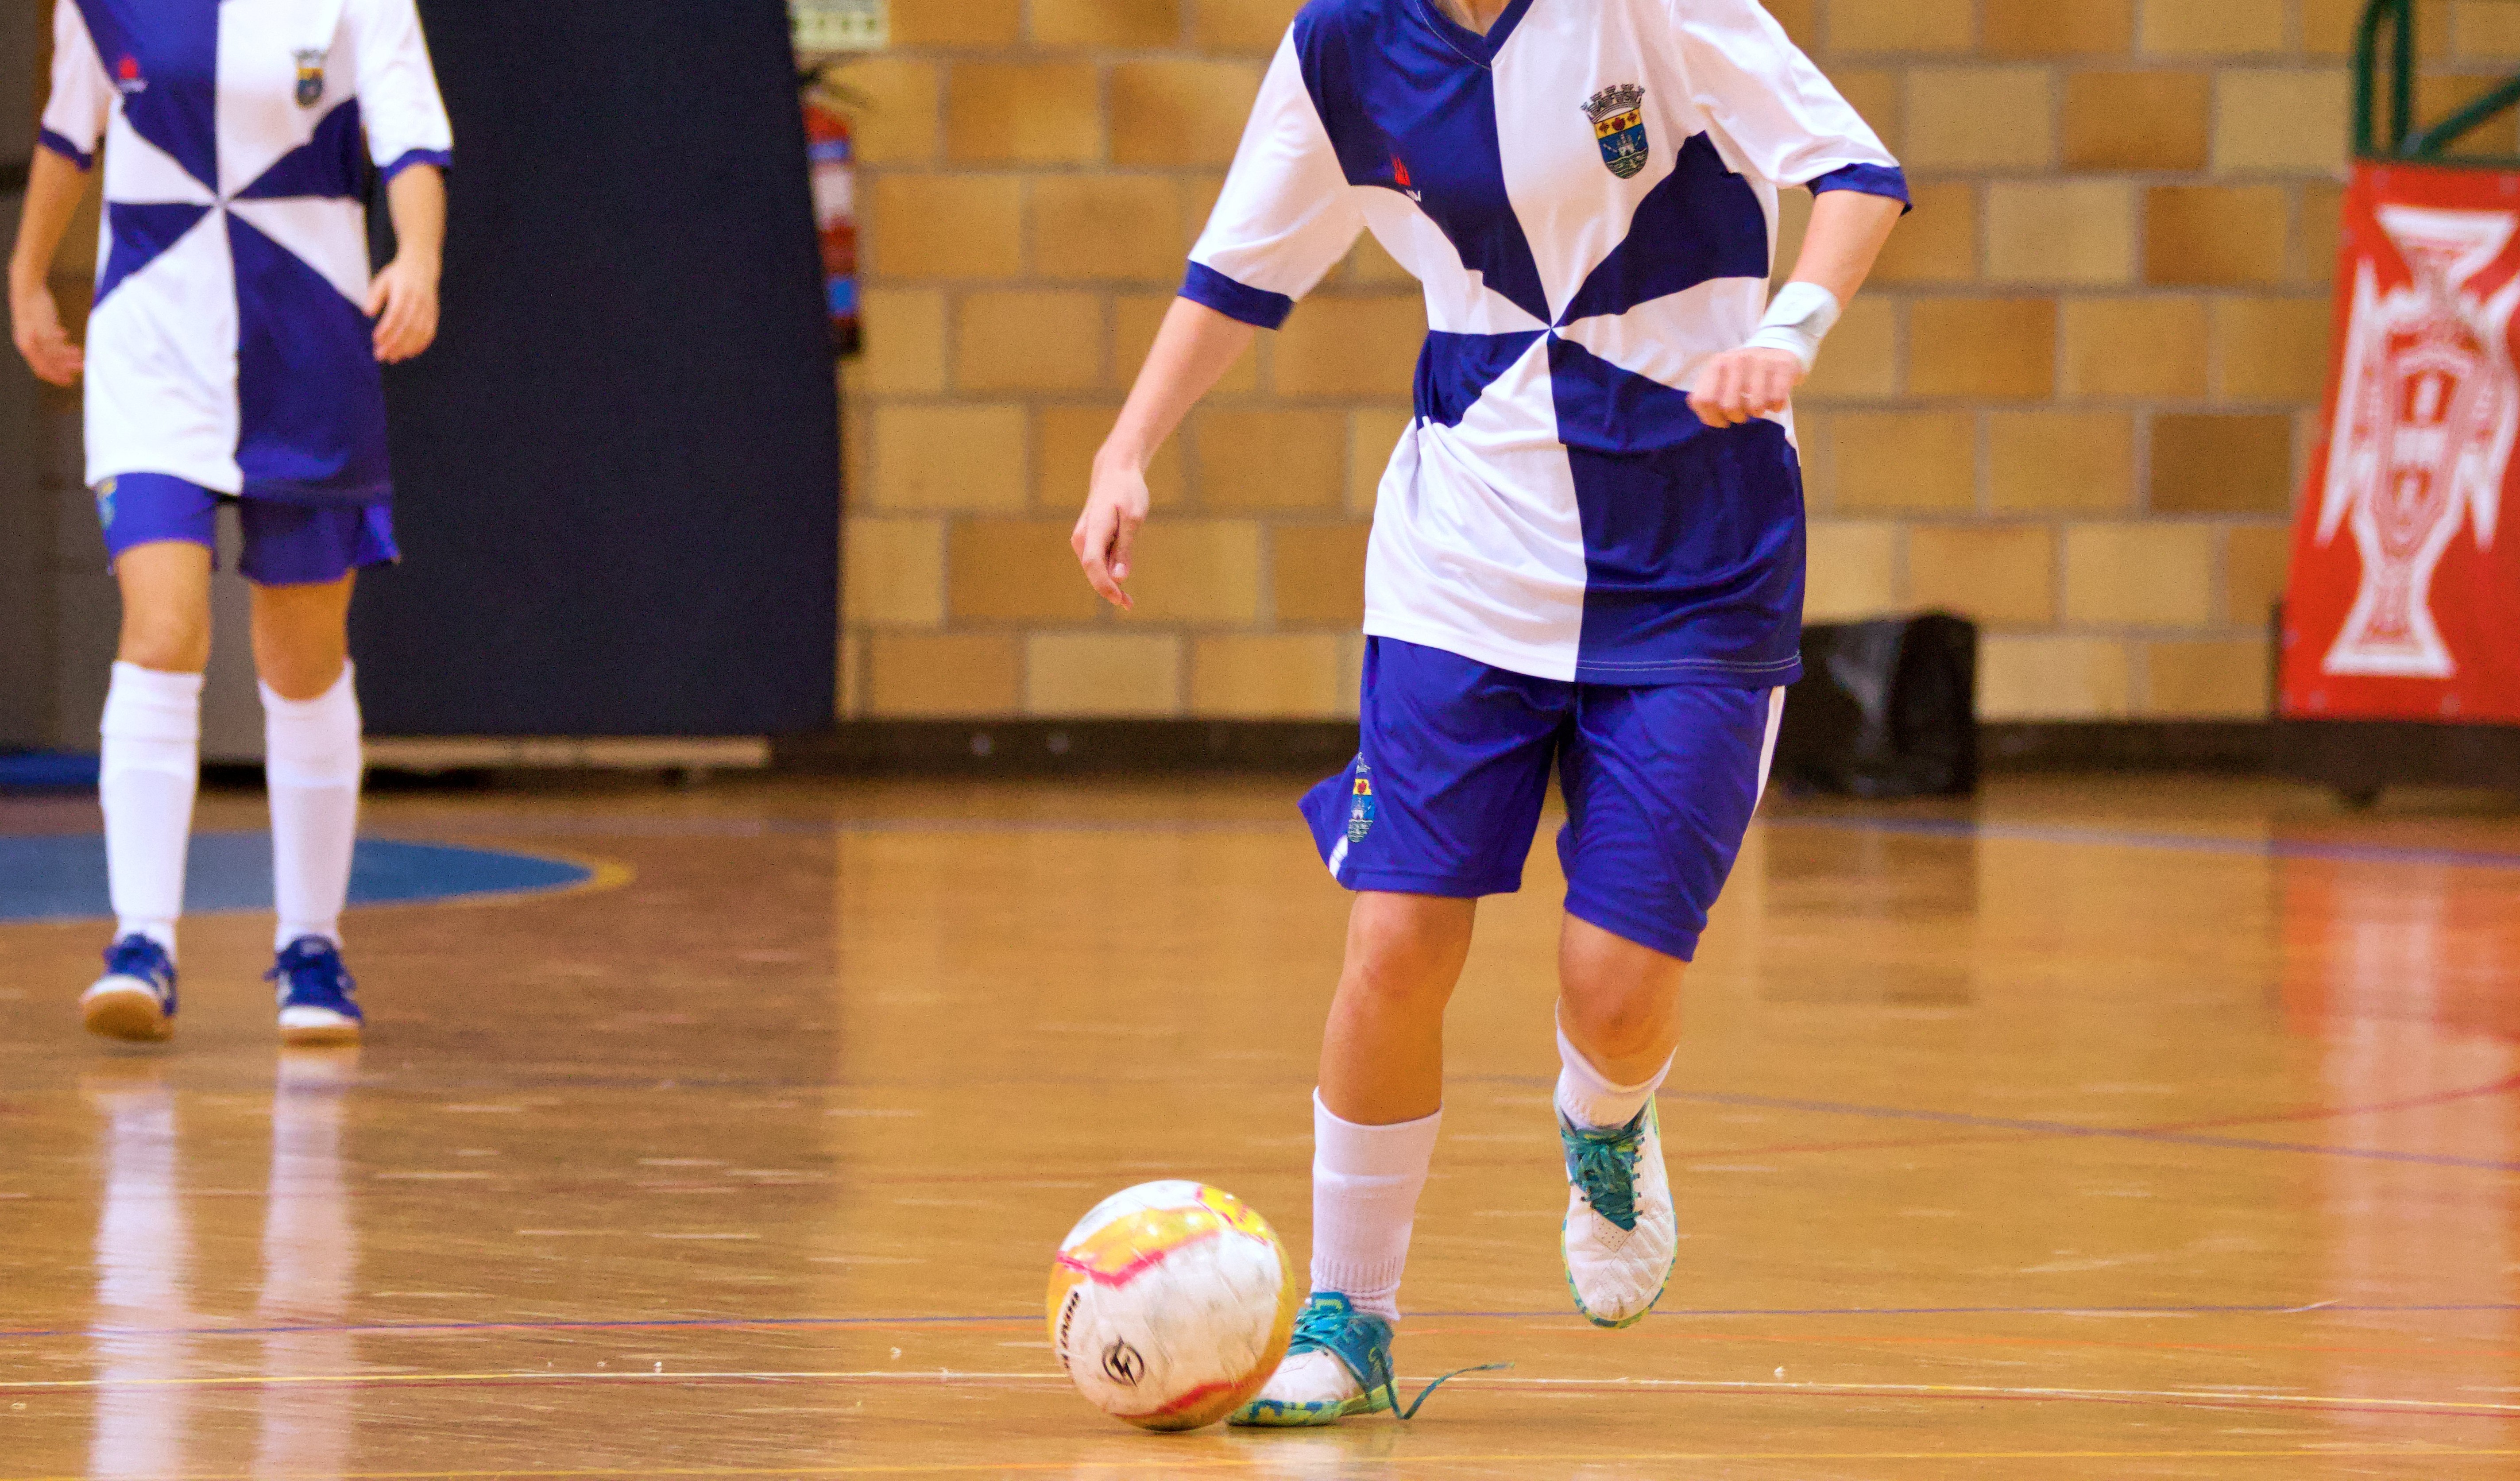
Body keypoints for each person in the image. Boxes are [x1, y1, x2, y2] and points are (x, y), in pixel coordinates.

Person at [1071, 0, 1905, 1426]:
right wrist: (1126, 447)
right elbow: (1238, 267)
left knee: (1614, 984)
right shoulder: (1343, 43)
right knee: (1395, 936)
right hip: (1464, 554)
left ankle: (1606, 1116)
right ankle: (1353, 1309)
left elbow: (1856, 176)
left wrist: (1791, 328)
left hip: (1697, 562)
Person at [9, 0, 454, 1046]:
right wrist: (28, 274)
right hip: (154, 348)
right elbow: (72, 128)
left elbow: (413, 139)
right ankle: (141, 940)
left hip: (307, 351)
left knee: (300, 661)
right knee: (161, 632)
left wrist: (419, 257)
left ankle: (311, 945)